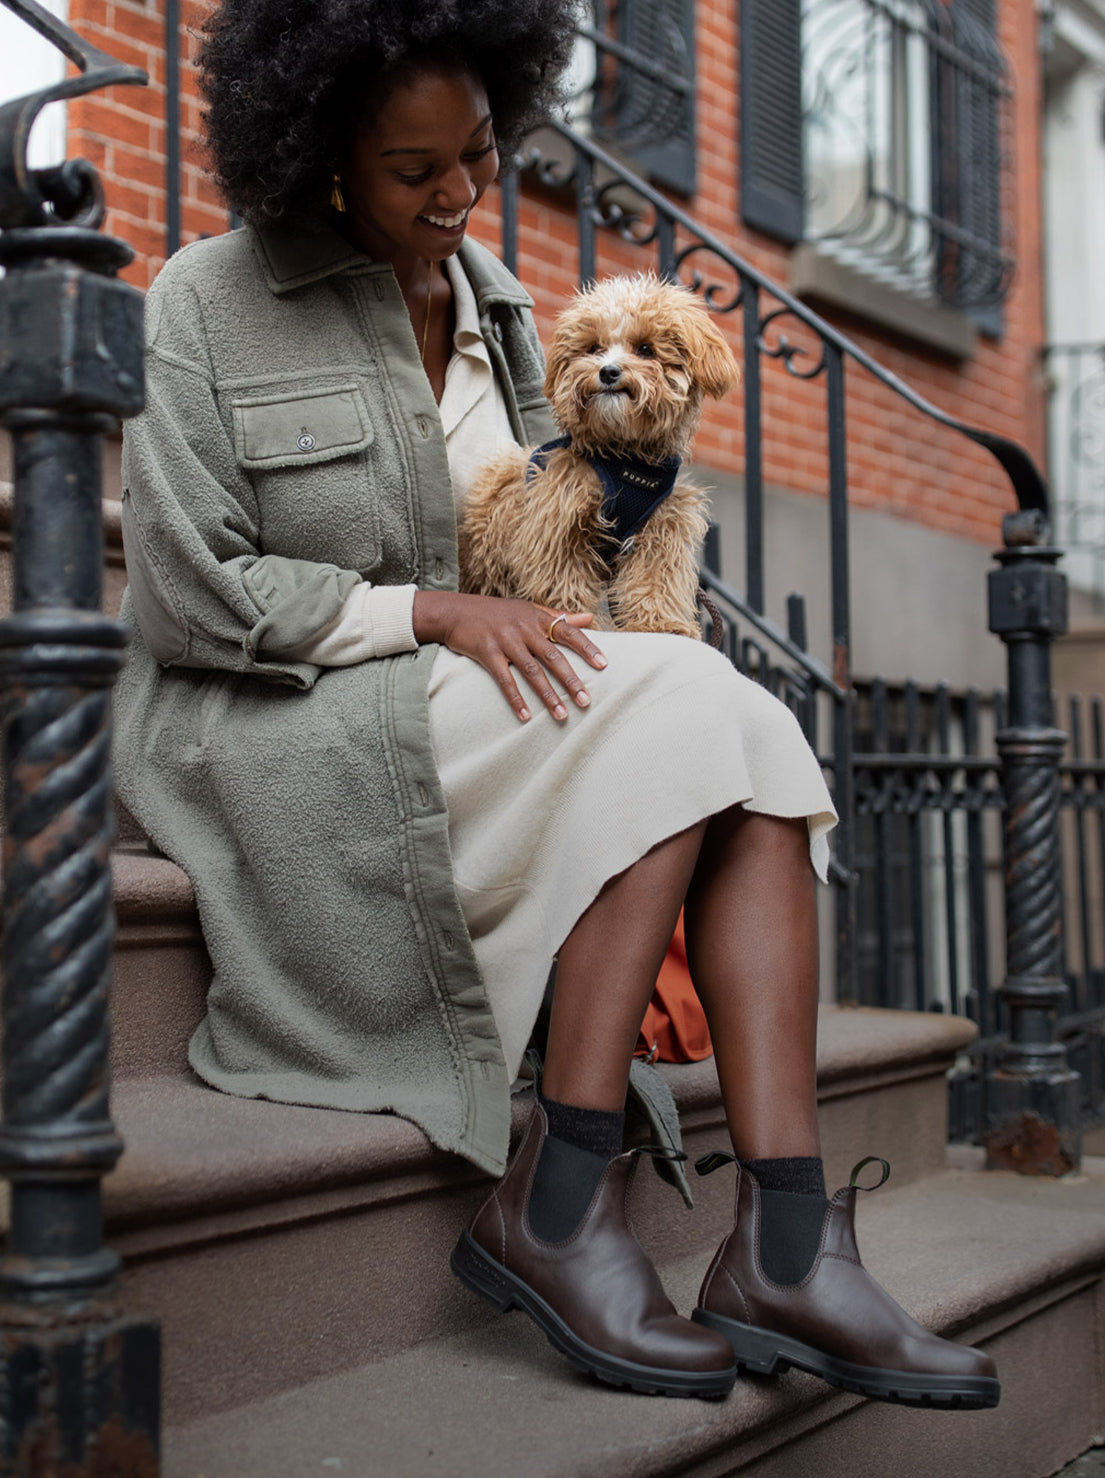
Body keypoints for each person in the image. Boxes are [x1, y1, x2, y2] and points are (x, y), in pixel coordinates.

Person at [114, 0, 999, 1407]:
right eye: (417, 172)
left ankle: (780, 1236)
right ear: (323, 155)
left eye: (478, 150)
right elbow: (183, 591)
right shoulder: (204, 303)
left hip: (488, 690)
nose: (462, 194)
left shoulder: (505, 310)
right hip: (281, 705)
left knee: (741, 721)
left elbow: (556, 527)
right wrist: (436, 609)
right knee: (673, 713)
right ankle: (564, 1195)